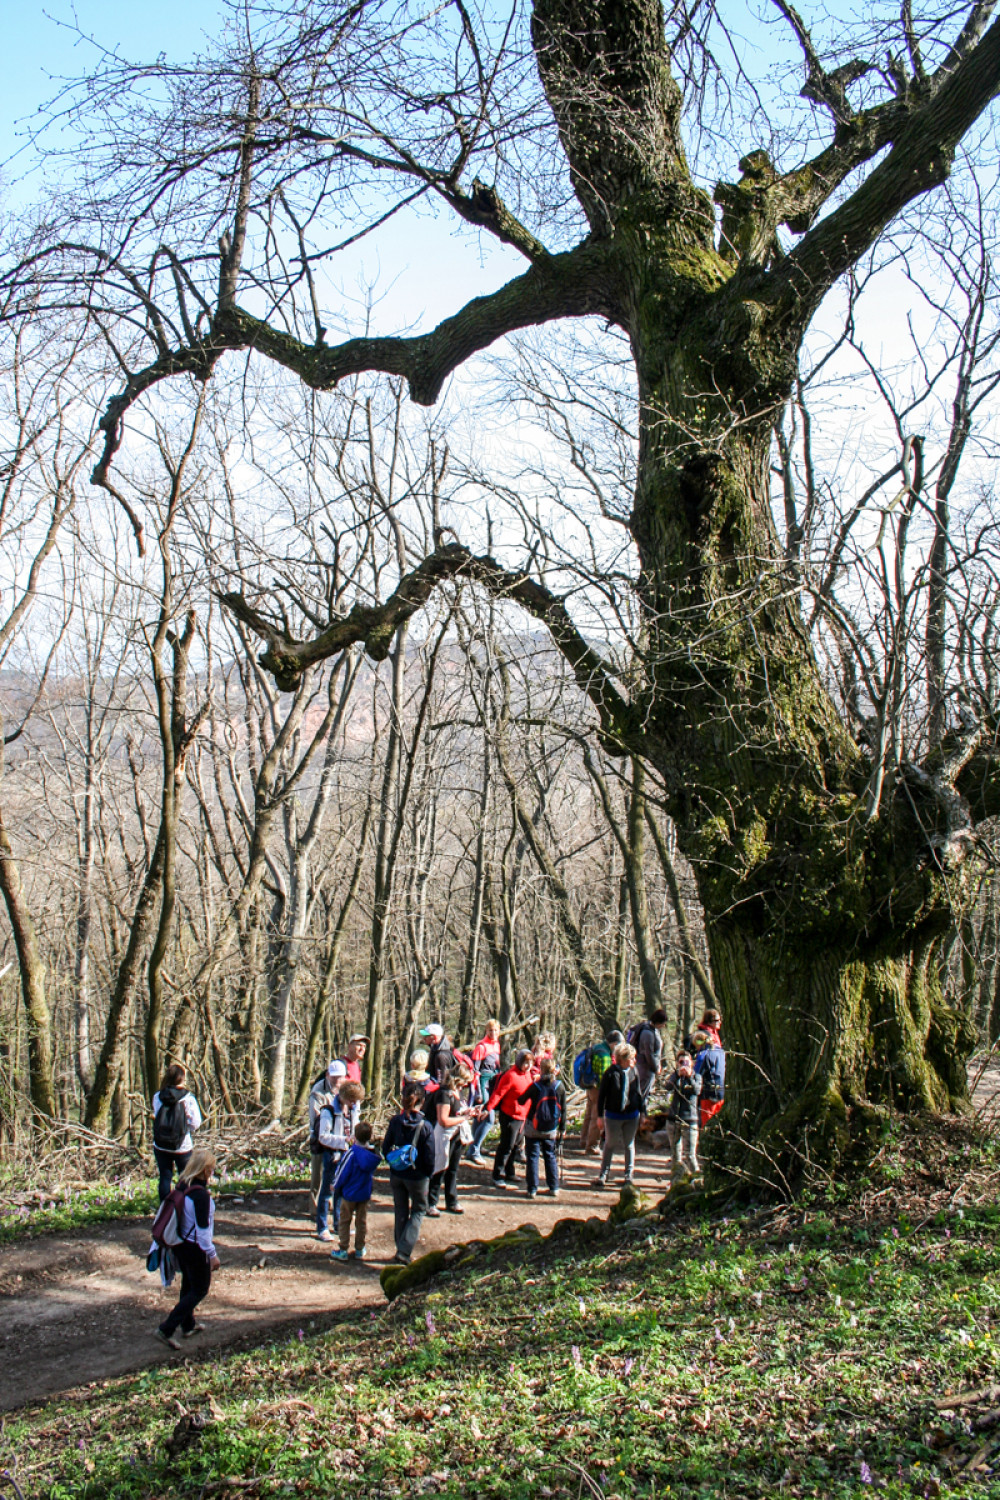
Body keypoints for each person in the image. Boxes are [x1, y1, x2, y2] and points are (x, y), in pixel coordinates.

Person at [154, 1147, 220, 1350]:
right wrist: (213, 1256)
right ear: (206, 1171)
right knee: (199, 1289)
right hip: (196, 1249)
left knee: (188, 1286)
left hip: (181, 1245)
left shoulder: (182, 1187)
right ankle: (167, 1328)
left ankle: (188, 1325)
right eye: (211, 1169)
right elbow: (203, 1233)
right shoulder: (202, 1198)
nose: (213, 1173)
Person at [383, 1084, 436, 1265]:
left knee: (400, 1210)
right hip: (418, 1176)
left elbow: (385, 1147)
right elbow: (430, 1156)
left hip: (397, 1174)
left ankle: (400, 1248)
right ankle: (404, 1251)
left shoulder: (395, 1121)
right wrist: (427, 1174)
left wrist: (394, 1163)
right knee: (419, 1210)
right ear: (422, 1101)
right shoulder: (426, 1126)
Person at [316, 1079, 365, 1241]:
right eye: (352, 1100)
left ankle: (338, 1224)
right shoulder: (328, 1112)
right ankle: (322, 1227)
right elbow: (323, 1137)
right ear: (343, 1097)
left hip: (347, 1155)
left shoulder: (353, 1110)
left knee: (341, 1191)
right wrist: (344, 1140)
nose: (354, 1104)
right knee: (327, 1192)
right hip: (332, 1156)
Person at [426, 1063, 477, 1216]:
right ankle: (431, 1202)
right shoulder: (444, 1094)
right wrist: (463, 1118)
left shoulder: (457, 1092)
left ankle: (452, 1201)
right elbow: (443, 1120)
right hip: (442, 1135)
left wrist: (468, 1112)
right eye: (465, 1081)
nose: (466, 1085)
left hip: (456, 1136)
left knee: (452, 1170)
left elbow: (457, 1112)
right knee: (439, 1168)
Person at [151, 1063, 203, 1203]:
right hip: (182, 1145)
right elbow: (195, 1123)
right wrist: (185, 1129)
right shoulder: (188, 1098)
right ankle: (185, 1207)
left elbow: (157, 1115)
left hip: (161, 1145)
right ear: (182, 1079)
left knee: (165, 1178)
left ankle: (165, 1211)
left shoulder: (158, 1096)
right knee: (185, 1178)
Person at [330, 1121, 381, 1262]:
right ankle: (359, 1249)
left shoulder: (351, 1153)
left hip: (350, 1193)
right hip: (364, 1193)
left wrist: (335, 1184)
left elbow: (342, 1172)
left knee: (344, 1221)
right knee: (361, 1221)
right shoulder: (372, 1155)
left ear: (355, 1136)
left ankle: (343, 1249)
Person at [594, 1041, 643, 1187]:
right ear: (623, 1059)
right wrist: (599, 1116)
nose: (634, 1061)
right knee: (610, 1143)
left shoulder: (634, 1072)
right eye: (632, 1058)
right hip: (613, 1115)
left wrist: (643, 1112)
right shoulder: (610, 1073)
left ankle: (629, 1175)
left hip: (631, 1115)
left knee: (629, 1144)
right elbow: (601, 1096)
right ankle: (604, 1174)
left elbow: (639, 1093)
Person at [486, 1048, 536, 1189]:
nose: (528, 1066)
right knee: (506, 1146)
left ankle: (509, 1172)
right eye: (525, 1063)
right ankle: (498, 1175)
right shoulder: (511, 1075)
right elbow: (498, 1094)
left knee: (515, 1146)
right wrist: (488, 1108)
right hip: (510, 1116)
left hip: (522, 1116)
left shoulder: (528, 1075)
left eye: (530, 1063)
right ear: (519, 1062)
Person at [522, 1056, 566, 1198]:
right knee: (550, 1156)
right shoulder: (559, 1087)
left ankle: (532, 1189)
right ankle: (554, 1187)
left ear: (540, 1069)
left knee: (533, 1157)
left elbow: (521, 1100)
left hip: (533, 1126)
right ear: (555, 1070)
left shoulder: (535, 1086)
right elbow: (563, 1109)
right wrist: (562, 1129)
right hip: (550, 1127)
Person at [308, 1060, 348, 1211]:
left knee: (335, 1175)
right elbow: (315, 1118)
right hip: (320, 1137)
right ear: (327, 1075)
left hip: (338, 1138)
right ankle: (314, 1208)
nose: (338, 1080)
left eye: (340, 1077)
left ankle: (331, 1205)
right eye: (334, 1077)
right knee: (318, 1176)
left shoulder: (345, 1089)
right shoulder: (317, 1092)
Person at [578, 1030, 621, 1155]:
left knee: (589, 1114)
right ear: (614, 1043)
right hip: (598, 1089)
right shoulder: (604, 1056)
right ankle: (592, 1146)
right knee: (597, 1116)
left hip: (590, 1086)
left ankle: (584, 1140)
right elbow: (604, 1077)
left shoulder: (597, 1047)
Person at [466, 1019, 502, 1164]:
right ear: (486, 1031)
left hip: (493, 1083)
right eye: (490, 1030)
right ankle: (474, 1149)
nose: (493, 1033)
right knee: (489, 1118)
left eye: (495, 1030)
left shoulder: (497, 1045)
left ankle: (473, 1147)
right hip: (482, 1084)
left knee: (478, 1118)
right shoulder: (481, 1047)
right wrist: (478, 1092)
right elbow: (475, 1070)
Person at [662, 1051, 702, 1180]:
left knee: (690, 1155)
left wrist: (689, 1076)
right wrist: (676, 1076)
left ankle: (697, 1179)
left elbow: (697, 1090)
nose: (684, 1065)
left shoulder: (697, 1076)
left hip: (690, 1120)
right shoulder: (675, 1077)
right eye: (681, 1062)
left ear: (691, 1063)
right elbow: (667, 1087)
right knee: (675, 1154)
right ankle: (676, 1180)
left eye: (686, 1062)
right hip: (673, 1119)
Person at [630, 1009, 668, 1110]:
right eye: (663, 1023)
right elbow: (649, 1053)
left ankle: (642, 1113)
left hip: (647, 1067)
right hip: (646, 1068)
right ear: (658, 1022)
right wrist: (656, 1068)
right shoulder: (648, 1033)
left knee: (645, 1093)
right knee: (642, 1093)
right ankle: (639, 1115)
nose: (664, 1026)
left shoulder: (653, 1030)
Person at [692, 1027, 726, 1129]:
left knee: (706, 1122)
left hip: (708, 1092)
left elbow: (696, 1073)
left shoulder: (703, 1055)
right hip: (721, 1090)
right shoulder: (721, 1052)